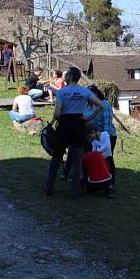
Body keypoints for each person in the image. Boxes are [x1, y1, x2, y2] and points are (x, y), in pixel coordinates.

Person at [43, 66, 103, 197]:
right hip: (78, 125)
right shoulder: (84, 92)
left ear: (70, 77)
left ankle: (48, 187)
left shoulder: (63, 92)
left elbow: (58, 112)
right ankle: (75, 191)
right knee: (77, 159)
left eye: (67, 74)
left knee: (57, 157)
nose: (65, 76)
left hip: (64, 125)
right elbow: (100, 105)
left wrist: (59, 119)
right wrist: (88, 118)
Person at [87, 85, 117, 162]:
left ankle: (110, 174)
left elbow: (107, 123)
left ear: (96, 94)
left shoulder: (105, 104)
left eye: (90, 94)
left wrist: (103, 138)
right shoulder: (87, 105)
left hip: (107, 135)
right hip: (93, 136)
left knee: (107, 159)